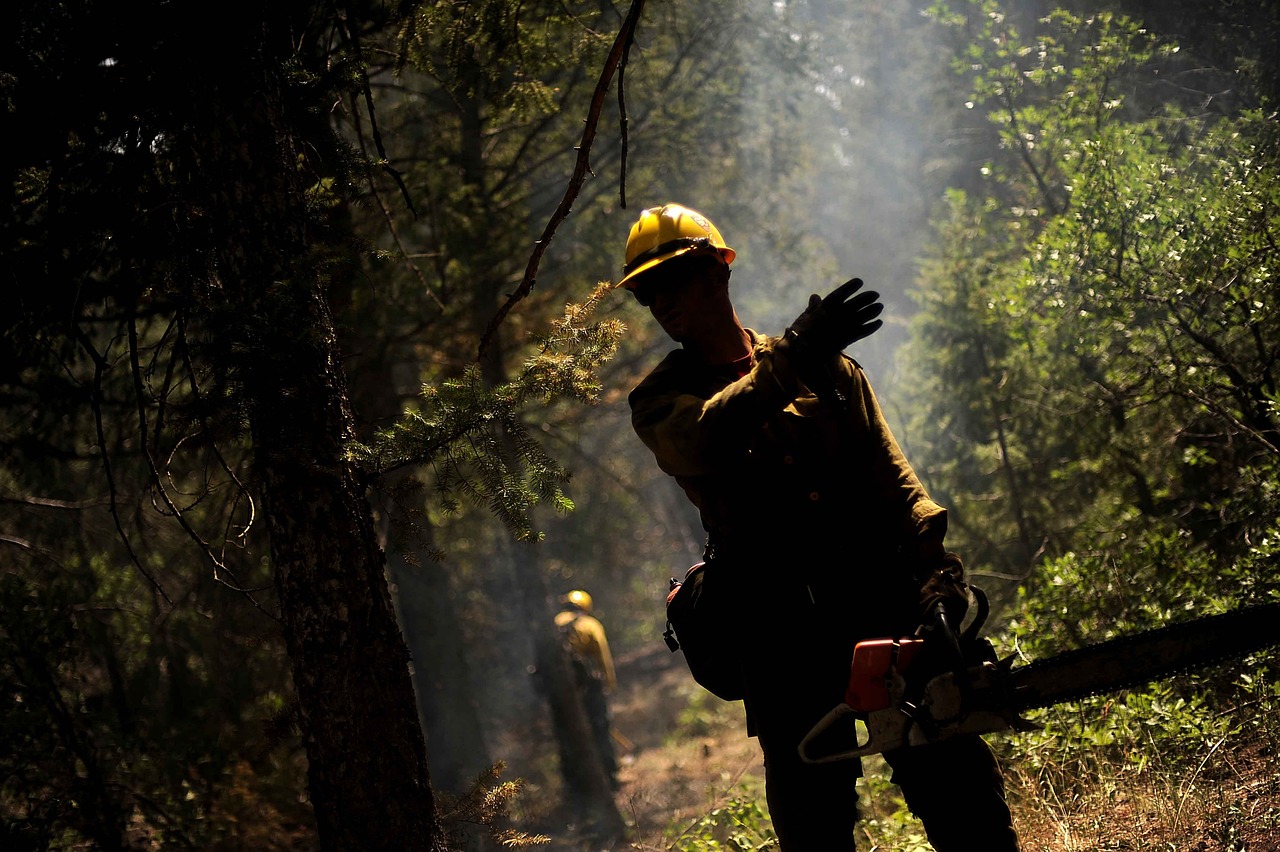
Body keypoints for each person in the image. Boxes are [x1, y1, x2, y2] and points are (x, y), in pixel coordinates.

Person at [617, 203, 1020, 851]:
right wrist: (796, 356)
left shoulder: (826, 369)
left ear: (719, 273)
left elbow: (893, 478)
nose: (661, 302)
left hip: (886, 611)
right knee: (817, 833)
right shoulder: (663, 399)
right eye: (647, 292)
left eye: (674, 281)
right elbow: (701, 442)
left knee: (966, 807)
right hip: (781, 640)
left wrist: (937, 571)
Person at [555, 589, 620, 788]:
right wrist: (609, 684)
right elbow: (603, 657)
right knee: (600, 730)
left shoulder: (553, 624)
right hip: (589, 691)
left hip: (560, 693)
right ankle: (609, 777)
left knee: (566, 736)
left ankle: (574, 785)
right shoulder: (589, 624)